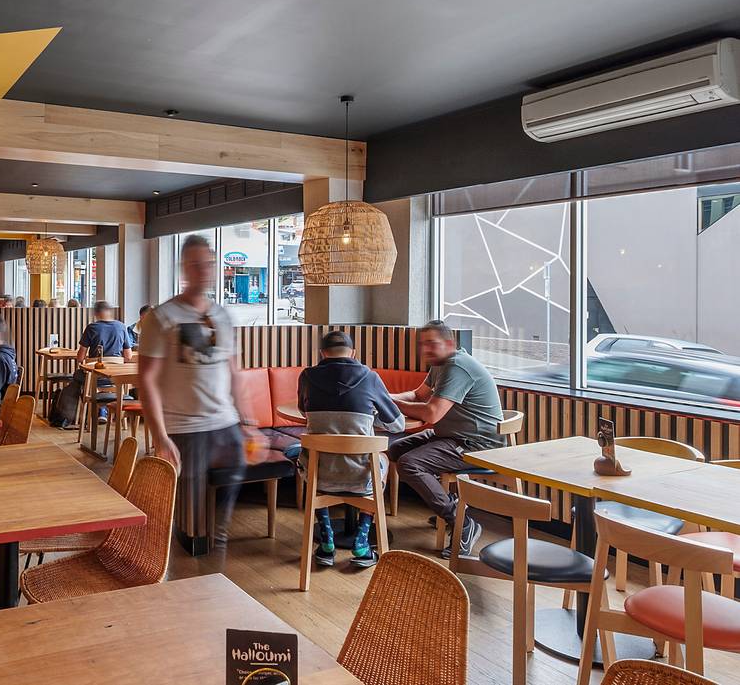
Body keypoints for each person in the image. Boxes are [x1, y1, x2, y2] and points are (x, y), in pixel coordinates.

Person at [137, 234, 265, 556]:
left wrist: (249, 423)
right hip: (184, 426)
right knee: (188, 506)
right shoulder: (162, 317)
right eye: (196, 264)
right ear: (184, 268)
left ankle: (215, 540)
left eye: (208, 264)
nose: (204, 270)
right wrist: (160, 436)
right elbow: (146, 379)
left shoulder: (222, 315)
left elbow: (234, 372)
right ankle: (186, 554)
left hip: (225, 422)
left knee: (233, 476)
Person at [388, 320, 504, 559]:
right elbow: (417, 395)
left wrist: (394, 404)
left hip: (477, 444)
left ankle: (462, 521)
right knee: (396, 449)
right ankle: (451, 506)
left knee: (409, 464)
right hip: (451, 435)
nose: (426, 350)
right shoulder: (440, 364)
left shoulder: (457, 367)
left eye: (432, 343)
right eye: (423, 344)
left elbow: (432, 414)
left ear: (449, 344)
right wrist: (384, 397)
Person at [289, 331, 405, 569]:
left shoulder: (307, 376)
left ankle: (326, 542)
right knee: (381, 459)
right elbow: (397, 425)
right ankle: (362, 543)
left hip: (320, 476)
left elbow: (304, 412)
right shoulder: (370, 377)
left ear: (322, 353)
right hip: (361, 478)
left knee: (304, 455)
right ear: (353, 353)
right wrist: (369, 417)